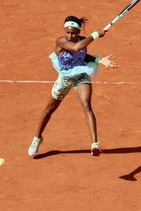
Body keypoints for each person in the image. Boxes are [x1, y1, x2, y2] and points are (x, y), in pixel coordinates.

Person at [28, 16, 117, 157]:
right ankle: (37, 138)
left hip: (80, 74)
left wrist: (100, 60)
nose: (70, 35)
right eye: (67, 32)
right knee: (49, 109)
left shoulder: (82, 41)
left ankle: (95, 144)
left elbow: (83, 56)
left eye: (73, 33)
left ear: (78, 31)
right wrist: (95, 34)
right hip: (64, 78)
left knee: (86, 104)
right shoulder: (61, 41)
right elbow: (76, 48)